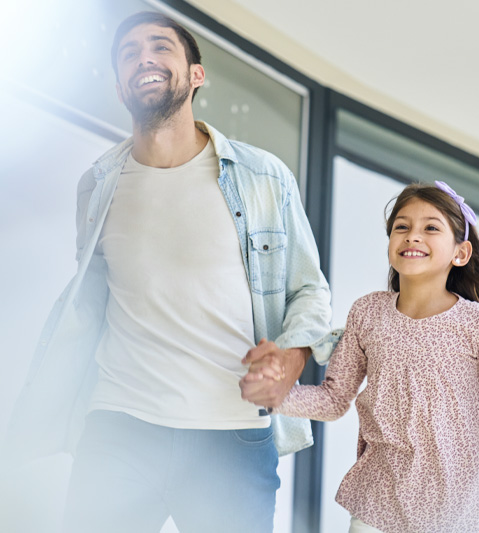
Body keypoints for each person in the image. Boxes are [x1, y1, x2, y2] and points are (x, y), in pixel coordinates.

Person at [1, 11, 333, 533]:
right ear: (119, 86)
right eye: (129, 53)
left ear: (196, 75)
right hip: (119, 428)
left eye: (160, 47)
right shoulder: (98, 184)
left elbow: (309, 288)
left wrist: (292, 359)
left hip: (231, 433)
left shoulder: (263, 177)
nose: (144, 58)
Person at [242, 182, 479, 533]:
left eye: (430, 228)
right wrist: (277, 395)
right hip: (375, 513)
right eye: (402, 226)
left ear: (461, 253)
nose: (413, 236)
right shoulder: (367, 313)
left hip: (456, 518)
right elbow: (333, 399)